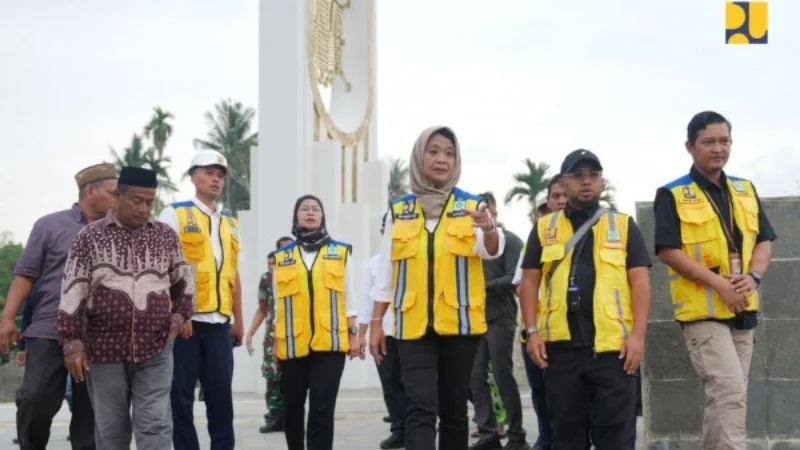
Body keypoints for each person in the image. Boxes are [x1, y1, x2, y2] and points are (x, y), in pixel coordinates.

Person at [369, 126, 505, 450]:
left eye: (449, 153)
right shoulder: (398, 211)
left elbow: (491, 251)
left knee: (454, 410)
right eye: (433, 151)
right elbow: (386, 274)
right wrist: (375, 324)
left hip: (460, 325)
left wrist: (489, 229)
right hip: (412, 326)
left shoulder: (472, 206)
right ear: (419, 157)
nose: (442, 159)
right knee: (419, 406)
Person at [653, 111, 776, 450]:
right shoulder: (673, 194)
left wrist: (754, 276)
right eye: (709, 142)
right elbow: (668, 251)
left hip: (742, 309)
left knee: (723, 398)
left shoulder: (745, 189)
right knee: (730, 394)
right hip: (703, 313)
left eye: (724, 141)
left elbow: (764, 240)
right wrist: (720, 284)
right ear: (690, 146)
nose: (718, 148)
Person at [519, 149, 652, 450]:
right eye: (577, 176)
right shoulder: (544, 228)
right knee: (566, 437)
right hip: (561, 351)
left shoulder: (623, 225)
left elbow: (640, 281)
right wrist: (532, 331)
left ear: (602, 181)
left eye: (593, 175)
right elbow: (529, 281)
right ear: (563, 182)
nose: (586, 181)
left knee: (617, 439)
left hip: (613, 351)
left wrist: (638, 336)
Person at [58, 167, 194, 449]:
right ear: (118, 196)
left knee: (155, 424)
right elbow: (72, 291)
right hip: (104, 350)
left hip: (156, 347)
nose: (143, 209)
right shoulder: (89, 237)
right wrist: (72, 344)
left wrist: (179, 317)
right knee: (111, 430)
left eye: (149, 202)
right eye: (136, 200)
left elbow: (184, 283)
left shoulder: (165, 236)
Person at [0, 162, 118, 450]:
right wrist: (8, 318)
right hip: (49, 329)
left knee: (93, 412)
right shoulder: (49, 226)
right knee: (34, 398)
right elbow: (25, 274)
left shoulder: (121, 231)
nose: (118, 198)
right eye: (112, 192)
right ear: (90, 191)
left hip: (100, 334)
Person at [159, 150, 244, 450]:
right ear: (193, 177)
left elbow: (233, 274)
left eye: (220, 176)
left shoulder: (230, 223)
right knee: (179, 397)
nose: (215, 180)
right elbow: (160, 270)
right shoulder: (175, 214)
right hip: (186, 325)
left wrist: (238, 321)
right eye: (208, 173)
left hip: (219, 324)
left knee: (221, 397)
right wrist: (175, 314)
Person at [273, 195, 359, 450]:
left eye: (315, 209)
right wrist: (276, 342)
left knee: (322, 407)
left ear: (323, 216)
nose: (310, 213)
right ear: (296, 216)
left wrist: (354, 334)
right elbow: (278, 304)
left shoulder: (340, 252)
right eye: (304, 209)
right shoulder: (282, 256)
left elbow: (350, 297)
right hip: (292, 342)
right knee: (292, 407)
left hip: (330, 343)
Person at [469, 191, 528, 450]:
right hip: (474, 319)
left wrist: (481, 287)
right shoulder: (470, 243)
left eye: (487, 210)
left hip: (500, 316)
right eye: (478, 212)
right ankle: (488, 435)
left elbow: (513, 278)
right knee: (475, 378)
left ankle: (517, 436)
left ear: (494, 212)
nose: (483, 216)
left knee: (503, 376)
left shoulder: (511, 241)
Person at [357, 213, 405, 450]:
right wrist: (361, 335)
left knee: (415, 383)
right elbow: (367, 302)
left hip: (412, 332)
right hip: (384, 333)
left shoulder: (413, 257)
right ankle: (399, 429)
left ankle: (418, 426)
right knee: (390, 382)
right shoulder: (375, 263)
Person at [245, 235, 294, 434]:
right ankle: (275, 416)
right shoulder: (267, 278)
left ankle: (292, 417)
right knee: (272, 374)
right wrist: (250, 334)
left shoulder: (301, 274)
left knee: (294, 376)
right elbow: (262, 309)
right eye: (283, 249)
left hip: (296, 333)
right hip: (273, 334)